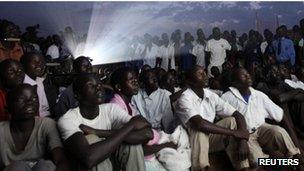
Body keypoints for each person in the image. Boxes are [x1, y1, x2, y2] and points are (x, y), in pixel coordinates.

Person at [57, 74, 151, 170]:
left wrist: (98, 132)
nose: (98, 88)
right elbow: (89, 158)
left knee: (132, 145)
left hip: (115, 164)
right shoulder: (68, 119)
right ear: (77, 95)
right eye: (91, 85)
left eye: (100, 84)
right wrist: (130, 126)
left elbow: (148, 133)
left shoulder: (111, 109)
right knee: (91, 139)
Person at [221, 67, 303, 169]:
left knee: (279, 131)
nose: (248, 76)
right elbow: (223, 121)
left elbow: (281, 116)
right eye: (243, 75)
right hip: (246, 135)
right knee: (258, 161)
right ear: (235, 83)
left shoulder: (259, 95)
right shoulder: (227, 97)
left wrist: (297, 147)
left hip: (262, 129)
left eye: (247, 73)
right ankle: (284, 163)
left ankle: (295, 160)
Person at [175, 65, 250, 171]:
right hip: (191, 141)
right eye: (199, 73)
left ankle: (243, 167)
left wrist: (242, 139)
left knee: (232, 121)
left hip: (210, 139)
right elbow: (200, 124)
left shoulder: (210, 95)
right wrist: (233, 133)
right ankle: (202, 168)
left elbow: (238, 115)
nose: (205, 75)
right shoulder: (185, 98)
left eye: (204, 72)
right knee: (199, 129)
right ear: (190, 81)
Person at [108, 67, 178, 170]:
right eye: (131, 80)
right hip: (138, 158)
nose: (135, 82)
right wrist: (163, 145)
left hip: (148, 152)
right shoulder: (115, 106)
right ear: (118, 86)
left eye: (136, 79)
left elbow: (146, 129)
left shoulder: (130, 106)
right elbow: (137, 144)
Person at [0, 84, 69, 171]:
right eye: (21, 99)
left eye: (34, 98)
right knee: (16, 167)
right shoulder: (1, 131)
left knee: (45, 165)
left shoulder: (46, 124)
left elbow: (60, 159)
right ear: (8, 108)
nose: (29, 102)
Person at [21, 52, 58, 117]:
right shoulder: (21, 84)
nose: (39, 65)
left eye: (41, 62)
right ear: (24, 65)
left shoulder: (40, 82)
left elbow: (45, 109)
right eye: (34, 62)